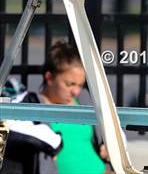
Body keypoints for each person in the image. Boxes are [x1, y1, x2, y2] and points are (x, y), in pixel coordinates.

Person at [2, 41, 108, 174]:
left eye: (80, 85)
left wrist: (109, 145)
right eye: (70, 84)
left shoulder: (83, 99)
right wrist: (51, 141)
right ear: (49, 77)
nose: (76, 91)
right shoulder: (32, 103)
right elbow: (7, 126)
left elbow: (113, 130)